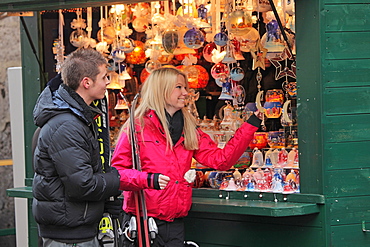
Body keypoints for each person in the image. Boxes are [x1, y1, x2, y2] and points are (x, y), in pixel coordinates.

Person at [111, 66, 262, 246]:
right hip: (142, 222)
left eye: (185, 88)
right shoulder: (137, 127)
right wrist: (148, 179)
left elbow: (221, 160)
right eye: (179, 88)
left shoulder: (188, 128)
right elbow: (117, 174)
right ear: (162, 90)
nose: (185, 93)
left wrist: (250, 126)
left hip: (174, 223)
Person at [32, 48, 121, 247]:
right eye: (104, 77)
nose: (108, 82)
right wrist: (116, 179)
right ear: (86, 82)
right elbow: (82, 185)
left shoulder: (76, 119)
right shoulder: (67, 125)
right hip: (69, 236)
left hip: (74, 228)